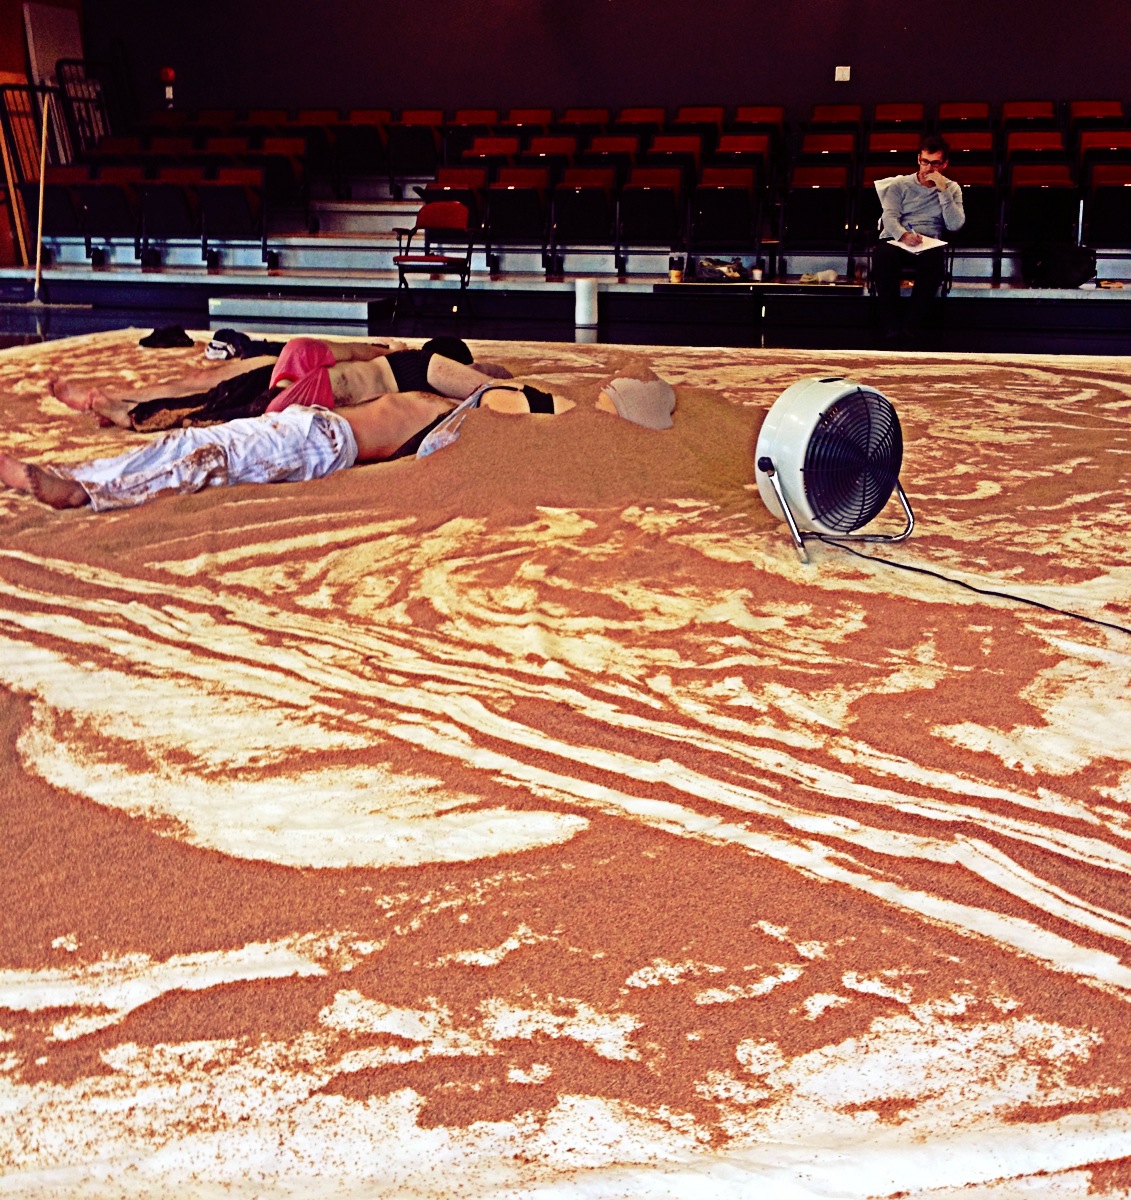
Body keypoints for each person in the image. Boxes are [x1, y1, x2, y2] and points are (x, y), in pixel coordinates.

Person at [0, 364, 573, 512]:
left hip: (321, 443)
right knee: (199, 443)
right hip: (308, 426)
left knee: (206, 455)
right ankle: (84, 480)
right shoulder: (454, 409)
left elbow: (525, 412)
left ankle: (83, 491)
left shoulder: (463, 427)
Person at [50, 336, 485, 433]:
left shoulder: (394, 359)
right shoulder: (425, 365)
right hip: (306, 386)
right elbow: (483, 388)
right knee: (217, 412)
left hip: (297, 374)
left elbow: (351, 349)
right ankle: (124, 409)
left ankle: (124, 408)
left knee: (211, 403)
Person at [872, 134, 965, 343]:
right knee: (883, 258)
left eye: (935, 163)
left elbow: (954, 224)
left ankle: (911, 327)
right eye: (925, 162)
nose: (928, 168)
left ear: (944, 164)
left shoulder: (952, 188)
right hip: (898, 238)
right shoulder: (899, 184)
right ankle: (892, 326)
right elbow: (889, 216)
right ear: (918, 159)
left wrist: (943, 192)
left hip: (928, 241)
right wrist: (903, 235)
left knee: (933, 264)